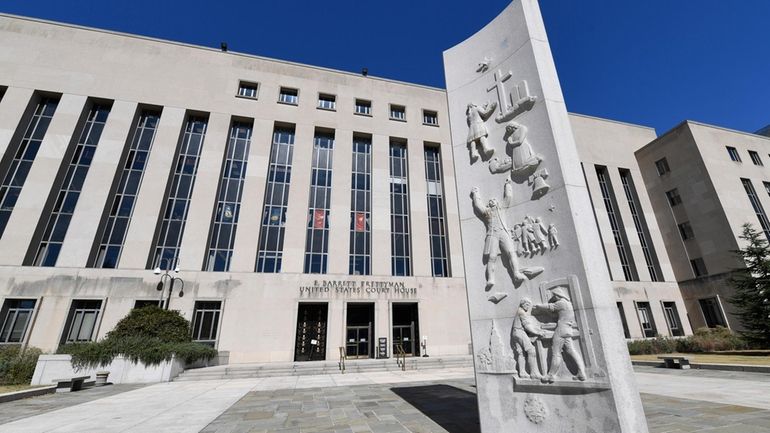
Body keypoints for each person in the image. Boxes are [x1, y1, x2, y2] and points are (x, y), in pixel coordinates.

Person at [470, 188, 542, 289]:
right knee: (492, 257)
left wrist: (508, 185)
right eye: (490, 201)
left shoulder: (502, 209)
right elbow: (478, 205)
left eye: (494, 200)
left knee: (511, 253)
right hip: (492, 235)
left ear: (497, 203)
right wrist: (475, 193)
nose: (492, 201)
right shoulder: (487, 212)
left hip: (503, 233)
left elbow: (508, 197)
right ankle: (490, 279)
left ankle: (516, 273)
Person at [535, 286, 586, 382]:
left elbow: (550, 307)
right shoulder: (569, 304)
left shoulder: (561, 303)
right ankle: (582, 373)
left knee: (556, 353)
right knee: (572, 351)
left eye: (555, 297)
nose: (554, 299)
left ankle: (551, 375)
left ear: (558, 296)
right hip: (568, 330)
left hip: (561, 330)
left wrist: (539, 306)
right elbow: (555, 313)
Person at [511, 297, 546, 380]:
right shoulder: (522, 312)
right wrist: (537, 332)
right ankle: (533, 373)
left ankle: (522, 372)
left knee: (521, 353)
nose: (528, 307)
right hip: (519, 332)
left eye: (529, 305)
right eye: (527, 305)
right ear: (522, 304)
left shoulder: (519, 311)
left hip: (515, 333)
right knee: (531, 351)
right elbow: (527, 326)